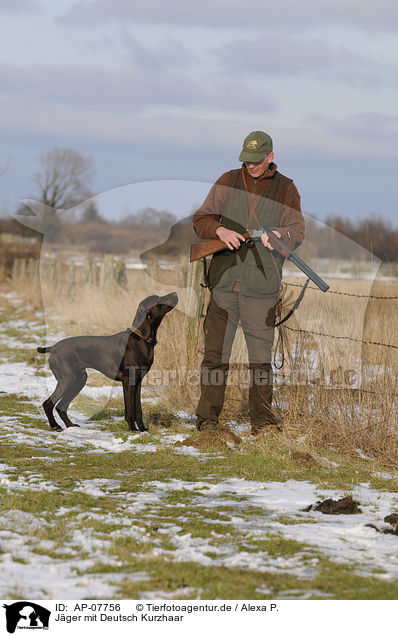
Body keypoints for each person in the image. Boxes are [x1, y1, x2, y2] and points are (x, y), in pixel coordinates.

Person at [193, 131, 305, 436]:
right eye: (246, 160)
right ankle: (207, 422)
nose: (251, 165)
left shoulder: (286, 188)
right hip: (224, 283)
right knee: (215, 357)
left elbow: (298, 230)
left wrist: (281, 235)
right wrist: (219, 232)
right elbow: (201, 219)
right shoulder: (228, 180)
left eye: (256, 160)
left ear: (270, 156)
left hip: (261, 287)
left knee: (260, 360)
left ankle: (262, 423)